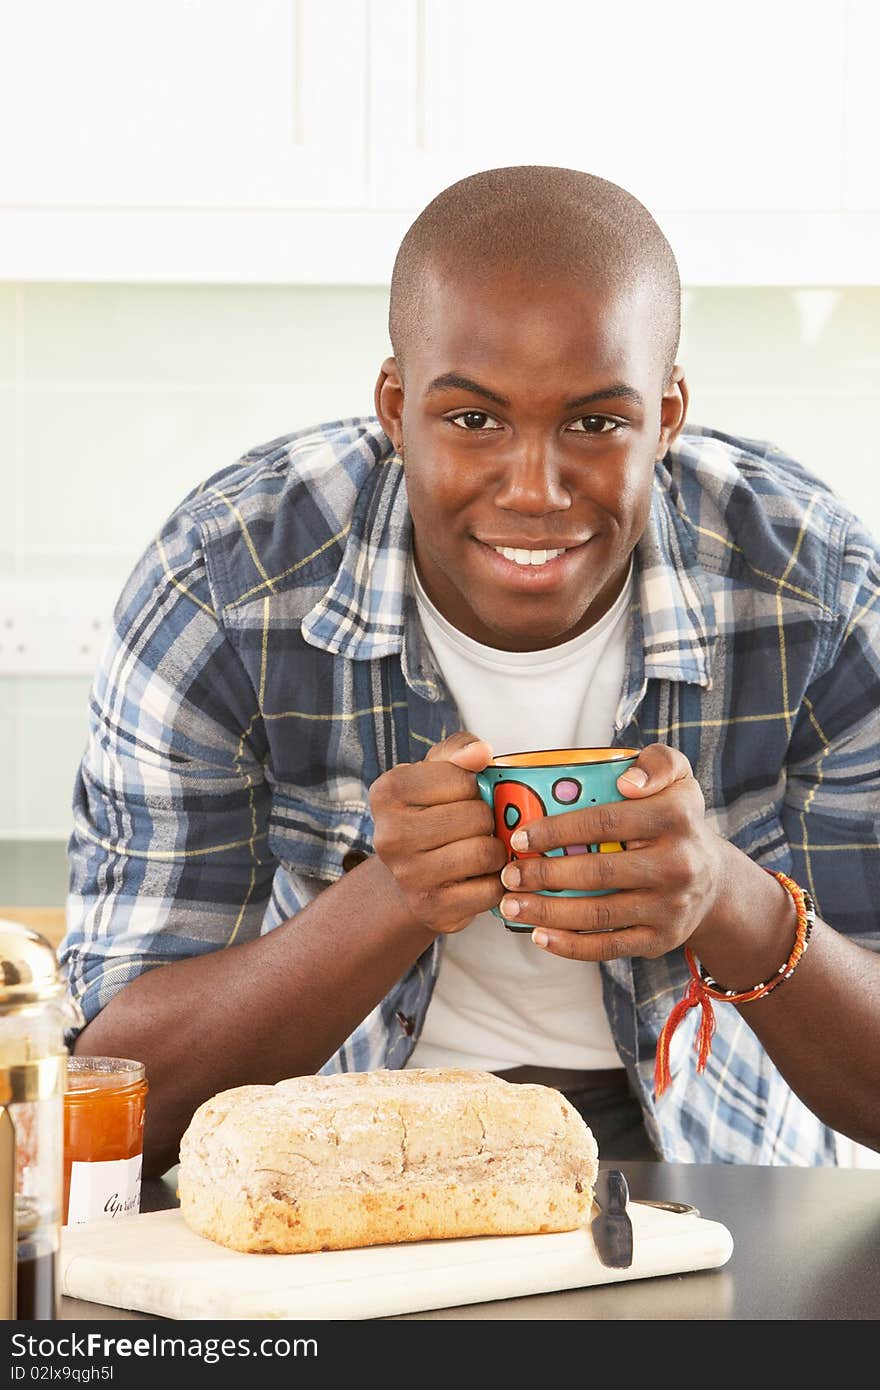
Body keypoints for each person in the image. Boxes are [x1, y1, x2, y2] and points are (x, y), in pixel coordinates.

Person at [59, 166, 880, 1180]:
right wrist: (385, 902)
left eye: (594, 422)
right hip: (335, 1160)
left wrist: (730, 901)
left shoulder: (817, 590)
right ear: (396, 408)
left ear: (666, 417)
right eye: (473, 420)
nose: (534, 491)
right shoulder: (224, 588)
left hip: (715, 1169)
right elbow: (115, 1100)